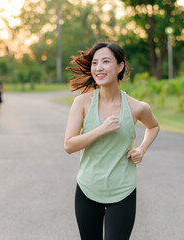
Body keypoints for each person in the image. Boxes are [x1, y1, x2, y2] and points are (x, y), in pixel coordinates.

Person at [64, 42, 160, 240]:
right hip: (88, 188)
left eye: (106, 62)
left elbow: (154, 126)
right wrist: (100, 130)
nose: (98, 68)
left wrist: (142, 149)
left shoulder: (137, 107)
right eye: (95, 63)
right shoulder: (82, 103)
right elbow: (69, 145)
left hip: (123, 190)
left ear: (120, 66)